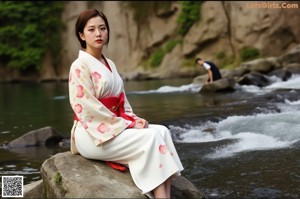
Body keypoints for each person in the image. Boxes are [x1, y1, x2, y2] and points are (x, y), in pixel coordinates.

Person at [68, 8, 184, 198]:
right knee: (151, 138)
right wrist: (128, 125)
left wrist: (134, 119)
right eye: (91, 29)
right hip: (91, 133)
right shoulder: (79, 66)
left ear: (107, 31)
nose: (98, 33)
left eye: (102, 28)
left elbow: (122, 101)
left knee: (162, 131)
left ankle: (165, 196)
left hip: (112, 126)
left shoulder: (110, 63)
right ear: (81, 35)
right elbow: (87, 108)